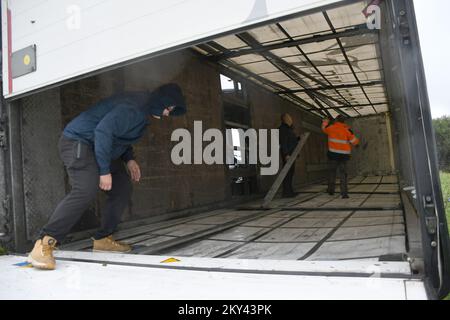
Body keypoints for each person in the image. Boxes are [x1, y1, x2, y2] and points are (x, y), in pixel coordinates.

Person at [27, 83, 187, 270]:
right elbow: (103, 131)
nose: (168, 113)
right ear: (162, 101)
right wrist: (104, 171)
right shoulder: (133, 108)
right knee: (85, 190)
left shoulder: (143, 112)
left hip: (99, 147)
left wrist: (129, 160)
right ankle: (43, 243)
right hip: (80, 142)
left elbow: (120, 137)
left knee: (122, 186)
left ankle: (103, 239)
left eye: (172, 110)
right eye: (169, 108)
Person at [322, 115, 359, 199]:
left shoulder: (331, 128)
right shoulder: (347, 130)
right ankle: (344, 194)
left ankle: (331, 191)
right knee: (343, 175)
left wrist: (325, 122)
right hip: (343, 157)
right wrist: (357, 143)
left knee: (332, 173)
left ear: (336, 120)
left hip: (333, 156)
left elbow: (324, 129)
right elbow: (354, 142)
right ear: (343, 121)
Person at [279, 113, 300, 198]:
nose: (291, 119)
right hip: (288, 155)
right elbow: (283, 142)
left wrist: (298, 138)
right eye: (289, 118)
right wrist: (286, 154)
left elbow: (291, 140)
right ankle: (287, 193)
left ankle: (289, 191)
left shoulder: (288, 129)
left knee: (290, 173)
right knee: (287, 173)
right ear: (285, 119)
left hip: (292, 154)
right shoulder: (283, 129)